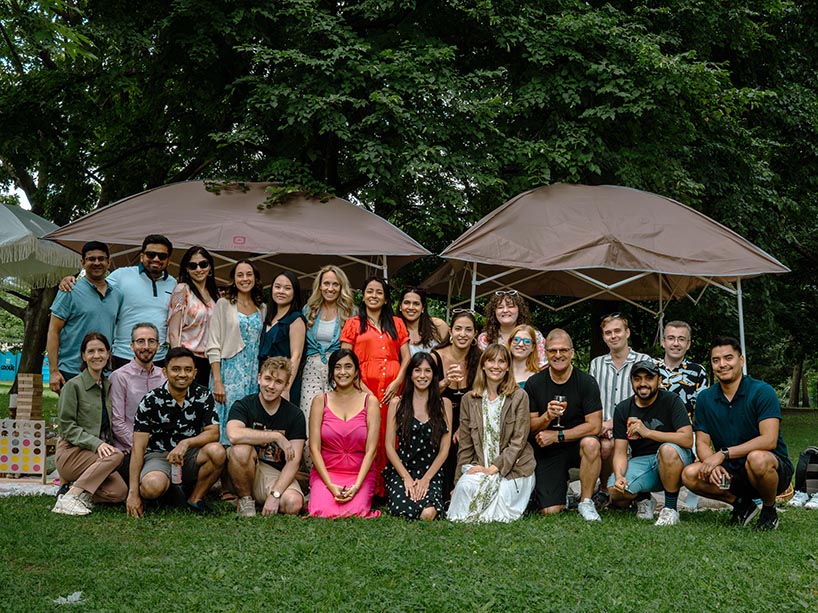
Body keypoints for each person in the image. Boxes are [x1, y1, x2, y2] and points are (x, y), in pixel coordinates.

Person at [681, 336, 794, 531]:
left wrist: (723, 454)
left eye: (728, 358)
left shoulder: (762, 391)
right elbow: (701, 443)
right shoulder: (706, 398)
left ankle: (769, 510)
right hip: (731, 473)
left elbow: (769, 440)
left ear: (741, 361)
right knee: (690, 474)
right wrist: (711, 463)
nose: (722, 364)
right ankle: (741, 504)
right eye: (716, 360)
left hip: (770, 469)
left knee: (757, 458)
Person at [126, 347, 225, 517]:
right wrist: (133, 493)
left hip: (189, 454)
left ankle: (195, 498)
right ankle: (171, 491)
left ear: (194, 373)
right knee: (152, 487)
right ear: (165, 372)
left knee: (217, 452)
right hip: (158, 456)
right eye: (176, 369)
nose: (182, 374)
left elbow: (213, 432)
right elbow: (138, 448)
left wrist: (186, 443)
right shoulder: (150, 401)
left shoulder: (203, 395)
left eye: (188, 370)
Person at [60, 235, 177, 369]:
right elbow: (95, 286)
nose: (156, 259)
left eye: (162, 256)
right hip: (123, 356)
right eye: (151, 254)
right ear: (142, 256)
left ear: (168, 259)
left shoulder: (173, 284)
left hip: (158, 358)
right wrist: (69, 280)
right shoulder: (122, 275)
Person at [448, 343, 535, 523]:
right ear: (483, 365)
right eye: (491, 361)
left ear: (508, 367)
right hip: (481, 465)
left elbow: (518, 441)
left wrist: (492, 469)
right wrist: (457, 482)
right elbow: (465, 445)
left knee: (501, 507)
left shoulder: (519, 397)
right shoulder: (469, 400)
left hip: (513, 468)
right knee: (464, 489)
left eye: (501, 361)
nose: (496, 366)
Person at [340, 276, 410, 495]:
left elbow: (406, 357)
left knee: (391, 433)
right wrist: (362, 387)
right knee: (368, 432)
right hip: (363, 386)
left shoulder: (397, 323)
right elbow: (345, 359)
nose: (374, 296)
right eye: (370, 291)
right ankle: (367, 485)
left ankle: (388, 487)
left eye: (379, 292)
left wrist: (398, 381)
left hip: (392, 387)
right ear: (363, 295)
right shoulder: (353, 324)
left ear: (386, 298)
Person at [526, 329, 603, 521]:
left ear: (572, 353)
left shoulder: (586, 382)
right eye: (553, 351)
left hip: (576, 445)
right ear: (546, 353)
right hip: (547, 449)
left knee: (592, 443)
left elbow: (594, 426)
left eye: (563, 350)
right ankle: (561, 495)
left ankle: (586, 501)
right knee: (551, 511)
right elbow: (529, 426)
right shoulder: (534, 383)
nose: (558, 355)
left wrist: (557, 435)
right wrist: (547, 417)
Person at [608, 360, 694, 526]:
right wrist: (619, 476)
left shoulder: (671, 400)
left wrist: (648, 432)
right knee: (616, 491)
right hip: (644, 462)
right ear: (631, 381)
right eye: (637, 379)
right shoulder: (623, 409)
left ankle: (670, 509)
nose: (643, 384)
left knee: (667, 450)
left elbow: (687, 439)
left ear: (658, 380)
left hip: (676, 458)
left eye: (649, 378)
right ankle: (645, 499)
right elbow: (620, 451)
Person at [52, 333, 127, 516]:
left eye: (101, 350)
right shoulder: (73, 386)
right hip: (71, 453)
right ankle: (71, 497)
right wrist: (98, 444)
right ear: (84, 356)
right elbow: (67, 427)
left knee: (119, 492)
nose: (96, 355)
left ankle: (76, 491)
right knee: (115, 455)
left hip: (96, 457)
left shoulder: (108, 385)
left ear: (108, 354)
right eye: (91, 351)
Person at [226, 357, 306, 517]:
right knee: (240, 450)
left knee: (293, 504)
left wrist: (275, 495)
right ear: (259, 378)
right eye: (267, 379)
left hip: (275, 474)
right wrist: (275, 436)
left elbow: (294, 461)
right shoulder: (244, 405)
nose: (271, 386)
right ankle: (245, 500)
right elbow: (233, 434)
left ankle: (265, 499)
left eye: (278, 381)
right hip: (247, 468)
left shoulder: (295, 414)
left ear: (286, 385)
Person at [308, 349, 381, 518]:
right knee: (322, 511)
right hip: (328, 473)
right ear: (331, 372)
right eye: (337, 367)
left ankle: (360, 491)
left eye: (348, 367)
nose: (343, 372)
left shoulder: (370, 402)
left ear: (356, 372)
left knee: (355, 512)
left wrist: (357, 485)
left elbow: (372, 450)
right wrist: (330, 485)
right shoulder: (320, 401)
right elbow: (314, 448)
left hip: (359, 474)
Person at [589, 313, 650, 503]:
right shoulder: (597, 364)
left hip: (635, 427)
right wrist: (600, 425)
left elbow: (650, 401)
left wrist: (614, 423)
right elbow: (592, 400)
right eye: (608, 333)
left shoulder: (643, 361)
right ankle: (606, 489)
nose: (613, 336)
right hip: (602, 428)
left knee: (611, 445)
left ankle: (614, 490)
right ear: (604, 337)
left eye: (617, 331)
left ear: (627, 333)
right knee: (604, 445)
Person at [384, 352, 452, 520]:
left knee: (428, 513)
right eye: (417, 370)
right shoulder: (397, 404)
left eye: (427, 371)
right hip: (402, 470)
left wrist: (426, 479)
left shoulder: (444, 405)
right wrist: (406, 478)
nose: (422, 375)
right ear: (410, 375)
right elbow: (389, 447)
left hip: (431, 471)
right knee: (402, 508)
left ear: (434, 376)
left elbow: (445, 449)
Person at [47, 241, 122, 392]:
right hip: (71, 371)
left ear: (109, 262)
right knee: (72, 415)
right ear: (82, 262)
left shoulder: (117, 295)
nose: (96, 263)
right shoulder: (69, 290)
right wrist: (54, 371)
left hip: (103, 372)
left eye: (101, 259)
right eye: (91, 259)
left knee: (102, 416)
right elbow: (53, 331)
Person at [300, 265, 354, 468]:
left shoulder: (350, 312)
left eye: (335, 284)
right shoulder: (308, 310)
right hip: (312, 368)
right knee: (309, 419)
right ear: (319, 286)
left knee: (334, 421)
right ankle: (312, 473)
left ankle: (334, 471)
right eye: (326, 283)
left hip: (338, 369)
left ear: (341, 287)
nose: (330, 288)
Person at [206, 260, 266, 445]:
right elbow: (213, 344)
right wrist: (218, 381)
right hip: (229, 371)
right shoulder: (223, 304)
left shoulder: (262, 308)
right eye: (240, 275)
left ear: (255, 278)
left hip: (253, 373)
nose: (245, 278)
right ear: (233, 279)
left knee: (249, 417)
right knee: (226, 419)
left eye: (249, 274)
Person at [429, 309, 482, 501]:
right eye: (458, 329)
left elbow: (482, 396)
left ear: (475, 334)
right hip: (438, 415)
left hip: (470, 417)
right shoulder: (435, 357)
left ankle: (462, 492)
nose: (463, 334)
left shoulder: (480, 358)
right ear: (450, 331)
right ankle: (440, 492)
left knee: (464, 440)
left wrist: (464, 426)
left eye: (468, 330)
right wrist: (444, 383)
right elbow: (424, 394)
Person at [110, 323, 167, 457]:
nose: (146, 347)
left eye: (151, 341)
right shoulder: (119, 377)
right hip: (130, 450)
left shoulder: (165, 377)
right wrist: (141, 447)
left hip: (162, 448)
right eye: (140, 341)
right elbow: (117, 422)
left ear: (158, 346)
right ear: (132, 346)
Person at [167, 246, 220, 386]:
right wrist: (178, 361)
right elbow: (174, 331)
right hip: (187, 357)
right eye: (193, 266)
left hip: (210, 360)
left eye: (203, 264)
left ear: (210, 267)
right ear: (186, 269)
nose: (198, 269)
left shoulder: (216, 294)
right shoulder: (182, 290)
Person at [258, 271, 306, 406]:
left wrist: (287, 387)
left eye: (287, 288)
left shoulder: (296, 319)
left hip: (282, 382)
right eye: (277, 287)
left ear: (294, 292)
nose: (281, 291)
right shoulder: (267, 317)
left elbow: (296, 356)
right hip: (266, 381)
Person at [476, 290, 546, 368]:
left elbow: (542, 365)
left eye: (510, 306)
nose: (505, 310)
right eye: (500, 307)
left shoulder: (534, 335)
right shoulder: (485, 338)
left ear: (519, 310)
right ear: (494, 312)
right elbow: (481, 367)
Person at [656, 320, 708, 418]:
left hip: (686, 431)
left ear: (688, 344)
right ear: (663, 342)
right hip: (651, 431)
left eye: (681, 339)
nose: (676, 343)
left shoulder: (697, 372)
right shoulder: (651, 367)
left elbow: (703, 409)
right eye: (671, 338)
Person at [397, 287, 449, 355]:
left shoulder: (437, 326)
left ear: (423, 308)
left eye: (416, 304)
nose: (411, 307)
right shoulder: (393, 330)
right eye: (407, 303)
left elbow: (451, 352)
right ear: (400, 307)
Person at [507, 324, 540, 389]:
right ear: (510, 343)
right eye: (516, 340)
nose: (521, 344)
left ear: (533, 347)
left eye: (527, 341)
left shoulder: (538, 377)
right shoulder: (500, 371)